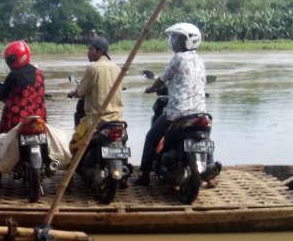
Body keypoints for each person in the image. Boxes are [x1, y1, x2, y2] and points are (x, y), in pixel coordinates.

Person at [135, 22, 206, 186]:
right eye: (174, 38)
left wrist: (152, 88)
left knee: (151, 137)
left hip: (178, 111)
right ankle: (210, 173)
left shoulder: (178, 58)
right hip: (200, 111)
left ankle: (145, 174)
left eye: (178, 38)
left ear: (188, 41)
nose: (174, 41)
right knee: (203, 139)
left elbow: (162, 78)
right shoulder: (199, 60)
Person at [0, 40, 47, 188]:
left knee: (0, 141)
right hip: (38, 118)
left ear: (18, 57)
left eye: (11, 59)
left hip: (16, 119)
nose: (9, 62)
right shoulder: (39, 73)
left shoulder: (13, 76)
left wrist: (0, 95)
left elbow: (3, 95)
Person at [66, 36, 124, 150]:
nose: (88, 53)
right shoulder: (117, 68)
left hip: (96, 120)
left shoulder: (93, 68)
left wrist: (74, 93)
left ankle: (78, 166)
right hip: (118, 118)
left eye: (90, 49)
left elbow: (81, 91)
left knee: (74, 143)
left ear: (99, 51)